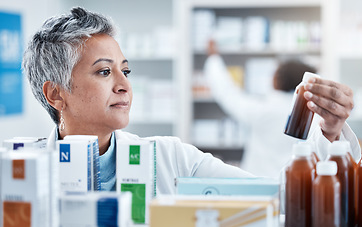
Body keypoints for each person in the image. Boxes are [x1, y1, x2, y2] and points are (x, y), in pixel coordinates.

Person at [22, 7, 360, 194]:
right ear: (56, 94)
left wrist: (328, 132)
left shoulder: (170, 158)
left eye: (126, 70)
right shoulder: (20, 171)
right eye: (103, 72)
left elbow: (274, 195)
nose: (125, 85)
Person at [204, 40, 361, 178]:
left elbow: (226, 92)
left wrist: (213, 58)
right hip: (297, 186)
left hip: (259, 187)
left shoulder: (260, 110)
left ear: (277, 81)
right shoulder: (314, 113)